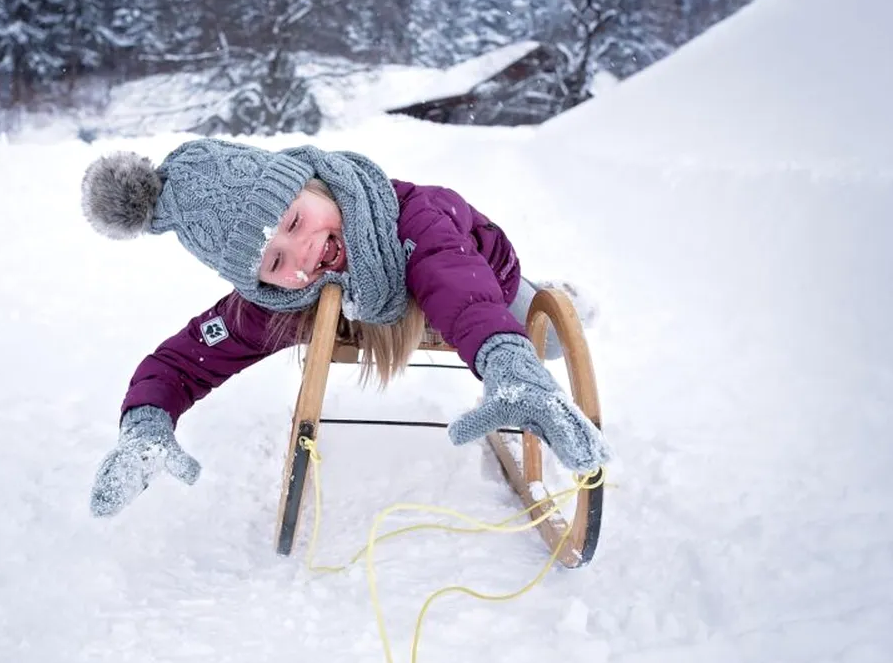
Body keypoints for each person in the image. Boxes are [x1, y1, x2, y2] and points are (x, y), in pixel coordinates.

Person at [79, 138, 610, 518]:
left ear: (314, 185)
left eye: (293, 223)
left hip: (478, 274)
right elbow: (182, 360)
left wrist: (511, 367)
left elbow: (461, 293)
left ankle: (554, 302)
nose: (305, 253)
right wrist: (145, 425)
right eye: (274, 261)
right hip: (369, 311)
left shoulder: (415, 219)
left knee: (552, 337)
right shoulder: (284, 300)